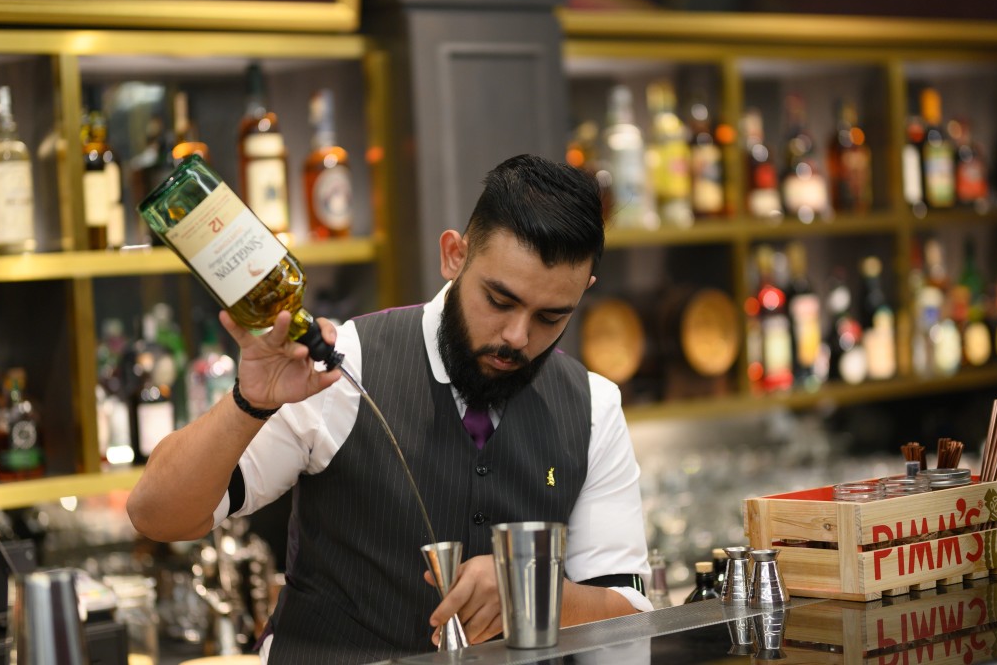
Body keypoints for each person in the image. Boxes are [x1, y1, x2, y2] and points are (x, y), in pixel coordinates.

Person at [127, 153, 651, 664]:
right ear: (454, 255)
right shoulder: (341, 368)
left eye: (551, 316)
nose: (517, 337)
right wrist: (248, 405)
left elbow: (628, 614)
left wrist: (534, 595)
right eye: (499, 300)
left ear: (584, 292)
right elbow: (157, 515)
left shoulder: (592, 407)